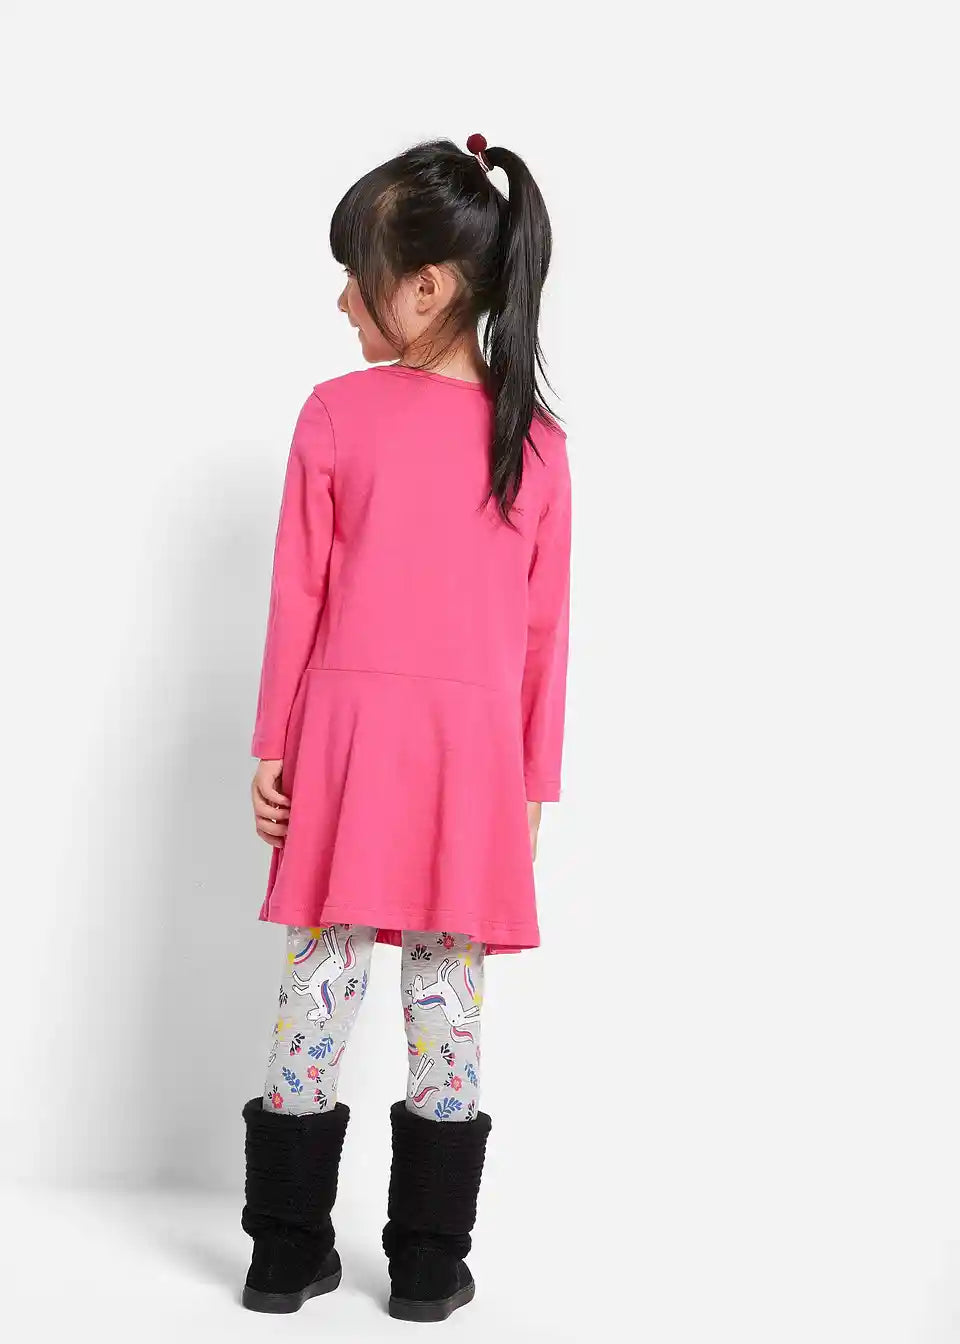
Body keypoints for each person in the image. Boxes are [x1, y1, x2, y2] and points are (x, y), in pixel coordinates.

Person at [239, 134, 571, 1323]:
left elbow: (299, 596)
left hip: (345, 738)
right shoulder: (536, 444)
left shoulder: (335, 414)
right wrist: (530, 787)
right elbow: (543, 638)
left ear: (425, 286)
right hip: (470, 761)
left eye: (356, 274)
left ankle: (285, 1253)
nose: (342, 298)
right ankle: (428, 1263)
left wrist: (274, 745)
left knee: (319, 981)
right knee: (446, 998)